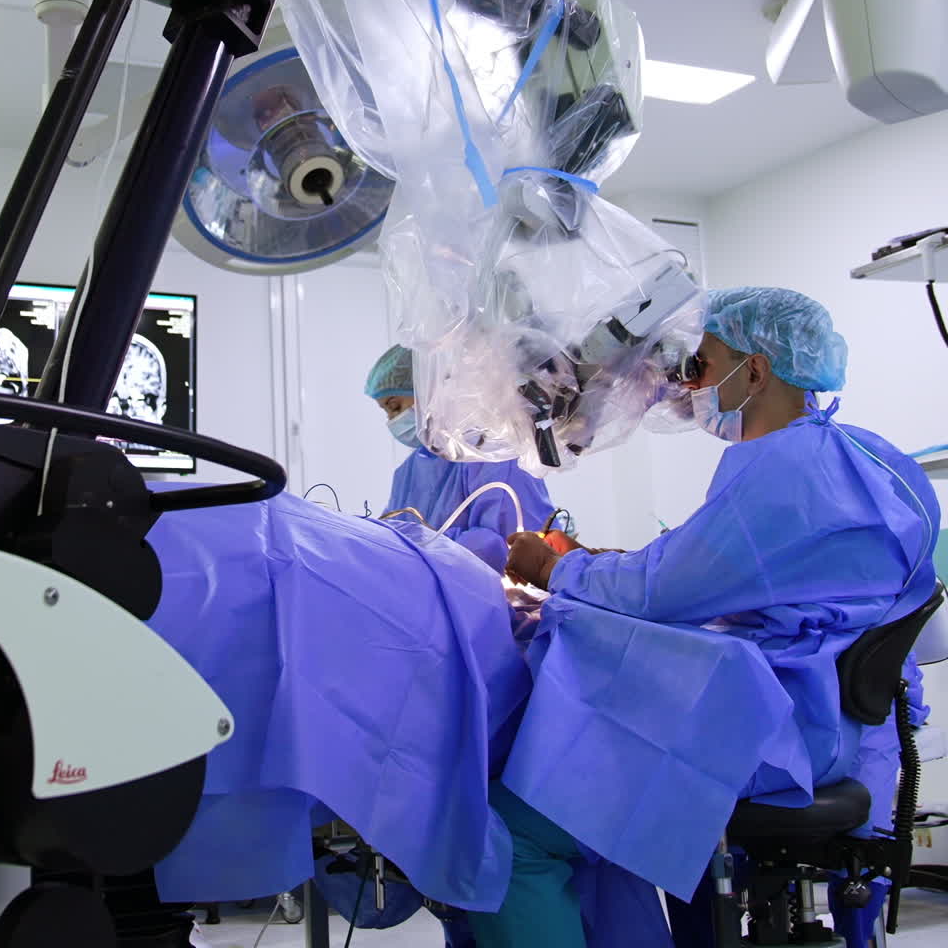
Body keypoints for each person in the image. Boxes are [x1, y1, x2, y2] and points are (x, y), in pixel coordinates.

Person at [482, 287, 941, 948]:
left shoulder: (777, 468)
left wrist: (553, 570)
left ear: (753, 371)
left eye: (702, 364)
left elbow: (661, 591)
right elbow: (760, 573)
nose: (687, 383)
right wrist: (608, 564)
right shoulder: (875, 459)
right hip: (847, 725)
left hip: (770, 732)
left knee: (512, 833)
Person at [365, 344, 555, 571]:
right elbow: (393, 535)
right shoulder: (409, 470)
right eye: (386, 413)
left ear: (430, 389)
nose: (391, 421)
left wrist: (418, 546)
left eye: (395, 407)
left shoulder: (492, 451)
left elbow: (504, 547)